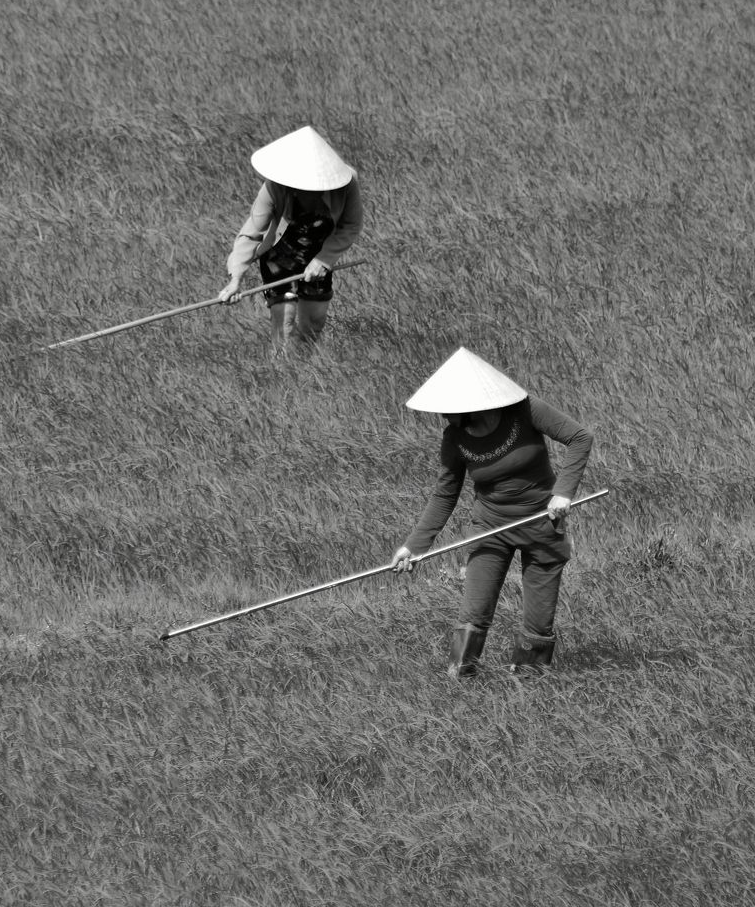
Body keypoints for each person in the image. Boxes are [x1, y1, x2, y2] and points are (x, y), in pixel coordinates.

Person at [391, 347, 594, 679]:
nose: (443, 416)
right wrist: (413, 547)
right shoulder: (454, 438)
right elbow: (444, 495)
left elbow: (579, 437)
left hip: (542, 524)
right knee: (474, 613)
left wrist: (563, 493)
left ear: (472, 405)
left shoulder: (525, 412)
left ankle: (529, 687)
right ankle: (460, 681)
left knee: (538, 622)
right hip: (490, 528)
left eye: (448, 409)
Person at [217, 126, 363, 351]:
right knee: (284, 325)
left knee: (314, 323)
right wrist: (236, 278)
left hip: (318, 256)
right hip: (280, 256)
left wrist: (323, 260)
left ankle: (299, 373)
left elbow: (350, 225)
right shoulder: (274, 186)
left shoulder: (347, 182)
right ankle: (280, 374)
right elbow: (252, 232)